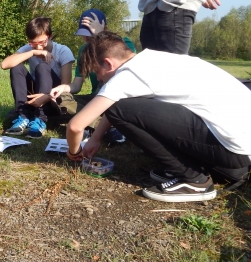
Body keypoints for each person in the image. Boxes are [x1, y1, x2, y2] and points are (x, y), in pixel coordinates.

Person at [65, 31, 251, 203]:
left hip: (231, 148)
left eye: (97, 73)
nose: (101, 79)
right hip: (240, 144)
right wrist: (96, 138)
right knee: (121, 107)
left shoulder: (128, 75)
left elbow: (75, 126)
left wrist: (74, 153)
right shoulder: (153, 58)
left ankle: (194, 181)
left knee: (118, 108)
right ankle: (221, 170)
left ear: (108, 63)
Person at [50, 9, 136, 144]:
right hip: (96, 98)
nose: (86, 39)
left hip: (118, 99)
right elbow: (77, 85)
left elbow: (128, 63)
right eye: (83, 35)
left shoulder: (123, 43)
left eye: (90, 34)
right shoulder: (83, 51)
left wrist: (101, 36)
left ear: (104, 29)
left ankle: (99, 125)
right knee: (63, 98)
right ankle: (108, 127)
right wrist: (64, 88)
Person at [1, 17, 74, 138]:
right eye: (33, 44)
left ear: (49, 36)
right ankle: (22, 116)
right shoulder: (30, 49)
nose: (39, 47)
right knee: (16, 67)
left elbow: (65, 86)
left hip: (54, 98)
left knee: (42, 67)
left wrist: (46, 97)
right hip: (35, 96)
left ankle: (40, 119)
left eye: (42, 42)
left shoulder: (63, 51)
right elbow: (4, 65)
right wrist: (32, 52)